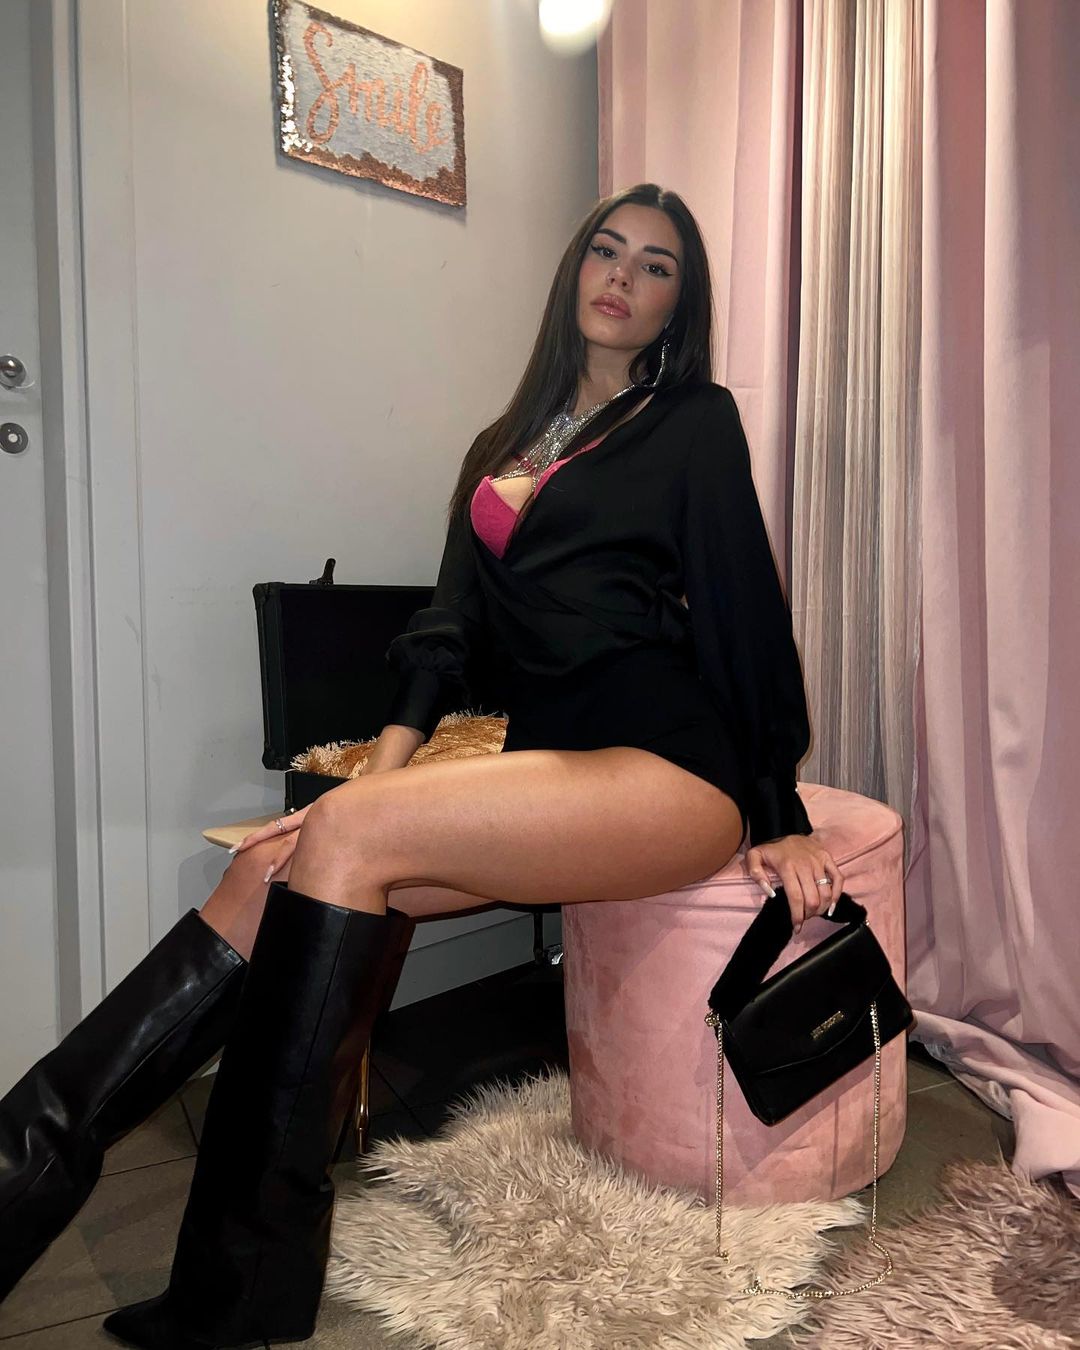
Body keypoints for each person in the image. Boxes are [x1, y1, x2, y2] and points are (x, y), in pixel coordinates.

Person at [0, 183, 844, 1347]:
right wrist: (374, 777)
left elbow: (744, 613)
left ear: (675, 306)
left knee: (338, 836)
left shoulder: (690, 422)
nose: (622, 276)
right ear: (573, 270)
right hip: (553, 772)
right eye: (607, 250)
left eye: (656, 267)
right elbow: (444, 633)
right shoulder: (499, 451)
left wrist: (778, 804)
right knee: (270, 869)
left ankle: (230, 1278)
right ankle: (53, 1192)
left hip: (670, 770)